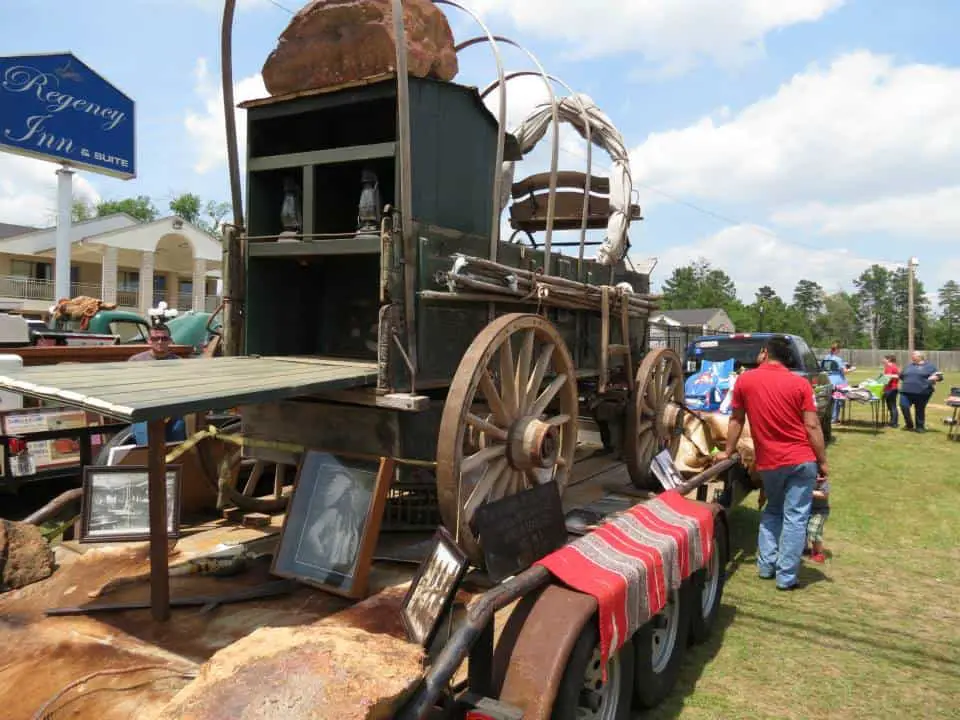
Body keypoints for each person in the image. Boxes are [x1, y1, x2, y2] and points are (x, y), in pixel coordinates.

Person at [715, 336, 828, 591]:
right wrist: (823, 461)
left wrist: (727, 451)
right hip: (801, 459)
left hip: (769, 462)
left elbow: (735, 420)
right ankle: (786, 577)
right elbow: (811, 425)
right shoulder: (799, 384)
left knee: (773, 511)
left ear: (765, 353)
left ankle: (766, 566)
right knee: (796, 517)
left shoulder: (745, 380)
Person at [127, 322, 187, 445]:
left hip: (172, 412)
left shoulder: (180, 363)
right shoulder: (135, 362)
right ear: (149, 341)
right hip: (143, 412)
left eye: (164, 338)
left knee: (178, 447)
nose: (160, 342)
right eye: (155, 338)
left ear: (170, 340)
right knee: (145, 448)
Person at [898, 351, 942, 432]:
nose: (912, 356)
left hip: (923, 392)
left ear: (920, 357)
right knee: (903, 406)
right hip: (906, 392)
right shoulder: (909, 366)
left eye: (914, 355)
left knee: (919, 409)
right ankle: (909, 424)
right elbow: (901, 376)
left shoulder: (930, 366)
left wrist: (935, 378)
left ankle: (920, 426)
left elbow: (940, 376)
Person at [805, 475, 830, 563]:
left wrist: (808, 491)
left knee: (813, 531)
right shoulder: (802, 477)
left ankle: (818, 553)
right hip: (806, 510)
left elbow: (824, 494)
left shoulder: (822, 480)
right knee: (802, 530)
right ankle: (804, 549)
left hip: (819, 512)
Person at [823, 343, 846, 423]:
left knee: (828, 400)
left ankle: (828, 417)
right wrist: (852, 369)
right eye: (839, 349)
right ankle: (834, 418)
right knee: (838, 399)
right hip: (838, 381)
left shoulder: (826, 358)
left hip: (828, 380)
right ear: (836, 350)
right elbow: (844, 371)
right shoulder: (838, 359)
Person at [882, 354, 900, 428]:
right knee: (891, 406)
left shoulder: (890, 366)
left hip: (891, 388)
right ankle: (892, 421)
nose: (883, 360)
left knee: (892, 406)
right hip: (892, 388)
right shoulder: (892, 366)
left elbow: (888, 378)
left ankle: (894, 423)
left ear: (888, 359)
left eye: (884, 359)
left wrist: (881, 384)